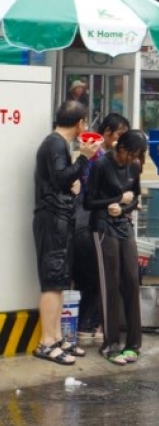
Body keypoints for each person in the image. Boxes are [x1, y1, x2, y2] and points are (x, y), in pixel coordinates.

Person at [33, 100, 101, 365]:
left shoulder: (55, 144)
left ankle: (57, 338)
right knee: (52, 281)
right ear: (81, 123)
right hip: (53, 221)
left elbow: (61, 179)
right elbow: (61, 178)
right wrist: (84, 157)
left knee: (60, 279)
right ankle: (46, 342)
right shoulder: (56, 144)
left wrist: (73, 179)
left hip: (58, 219)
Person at [85, 130, 146, 365]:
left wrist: (125, 208)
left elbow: (134, 198)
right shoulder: (101, 165)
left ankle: (133, 343)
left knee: (132, 279)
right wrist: (115, 202)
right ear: (120, 147)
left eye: (138, 155)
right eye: (132, 153)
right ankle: (110, 344)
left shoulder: (135, 167)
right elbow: (89, 202)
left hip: (123, 224)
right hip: (102, 227)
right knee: (109, 283)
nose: (133, 159)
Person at [74, 113, 130, 341]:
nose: (122, 140)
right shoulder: (98, 157)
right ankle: (88, 325)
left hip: (97, 219)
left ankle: (90, 323)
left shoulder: (112, 157)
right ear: (107, 133)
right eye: (119, 134)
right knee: (96, 274)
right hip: (89, 221)